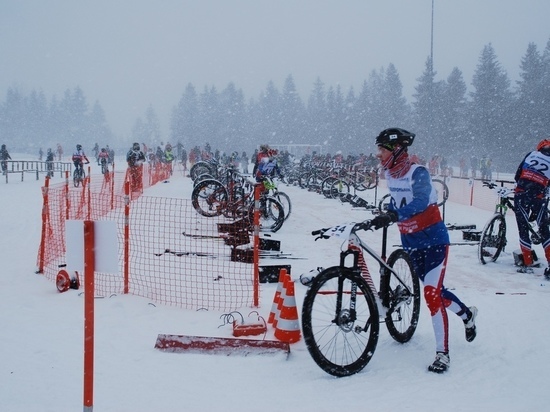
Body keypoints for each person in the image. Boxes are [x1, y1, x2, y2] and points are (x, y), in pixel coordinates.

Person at [369, 127, 477, 374]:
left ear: (396, 150)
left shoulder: (418, 173)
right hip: (411, 243)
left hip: (434, 242)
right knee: (436, 292)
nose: (378, 155)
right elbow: (398, 202)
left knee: (430, 294)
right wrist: (386, 212)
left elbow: (419, 202)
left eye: (382, 150)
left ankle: (442, 354)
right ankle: (467, 314)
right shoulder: (391, 174)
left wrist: (395, 214)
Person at [514, 139, 550, 278]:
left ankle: (527, 262)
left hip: (522, 193)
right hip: (538, 196)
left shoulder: (531, 154)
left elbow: (517, 175)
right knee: (544, 229)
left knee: (523, 228)